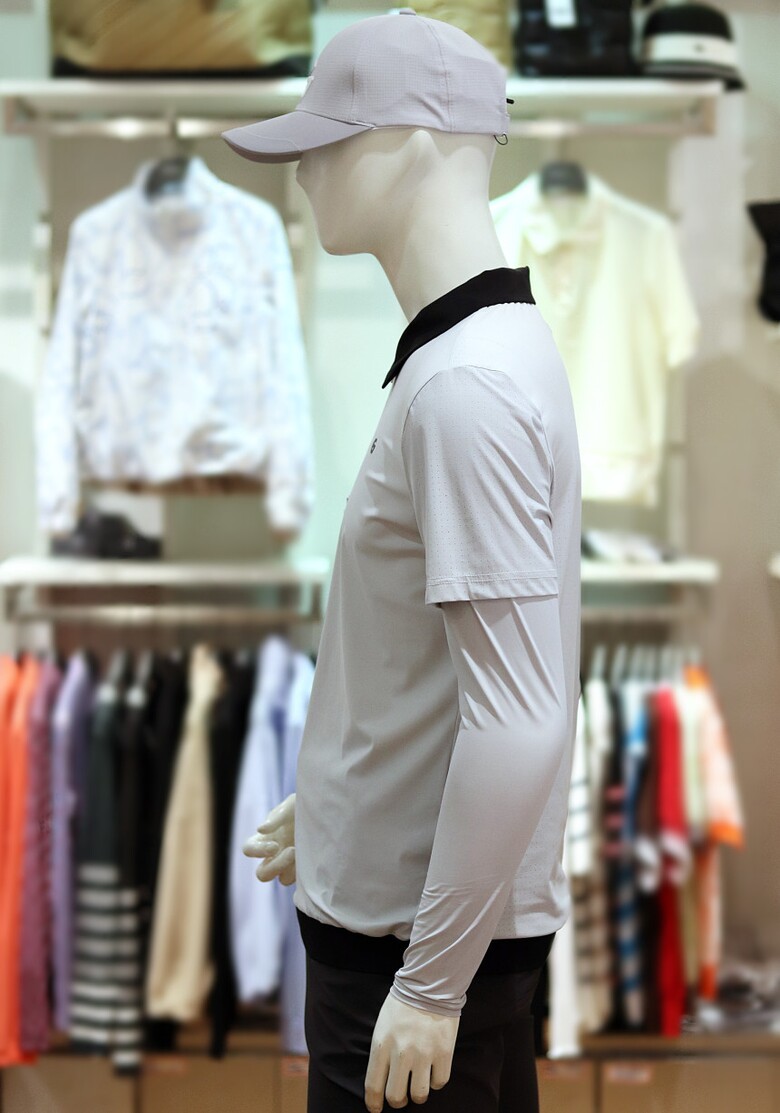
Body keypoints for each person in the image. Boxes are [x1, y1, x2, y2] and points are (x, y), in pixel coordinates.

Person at [223, 10, 582, 1112]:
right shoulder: (464, 354)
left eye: (327, 142)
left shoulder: (465, 384)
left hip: (410, 959)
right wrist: (342, 800)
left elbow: (520, 718)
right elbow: (435, 661)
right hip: (414, 928)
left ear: (420, 141)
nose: (304, 173)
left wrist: (429, 987)